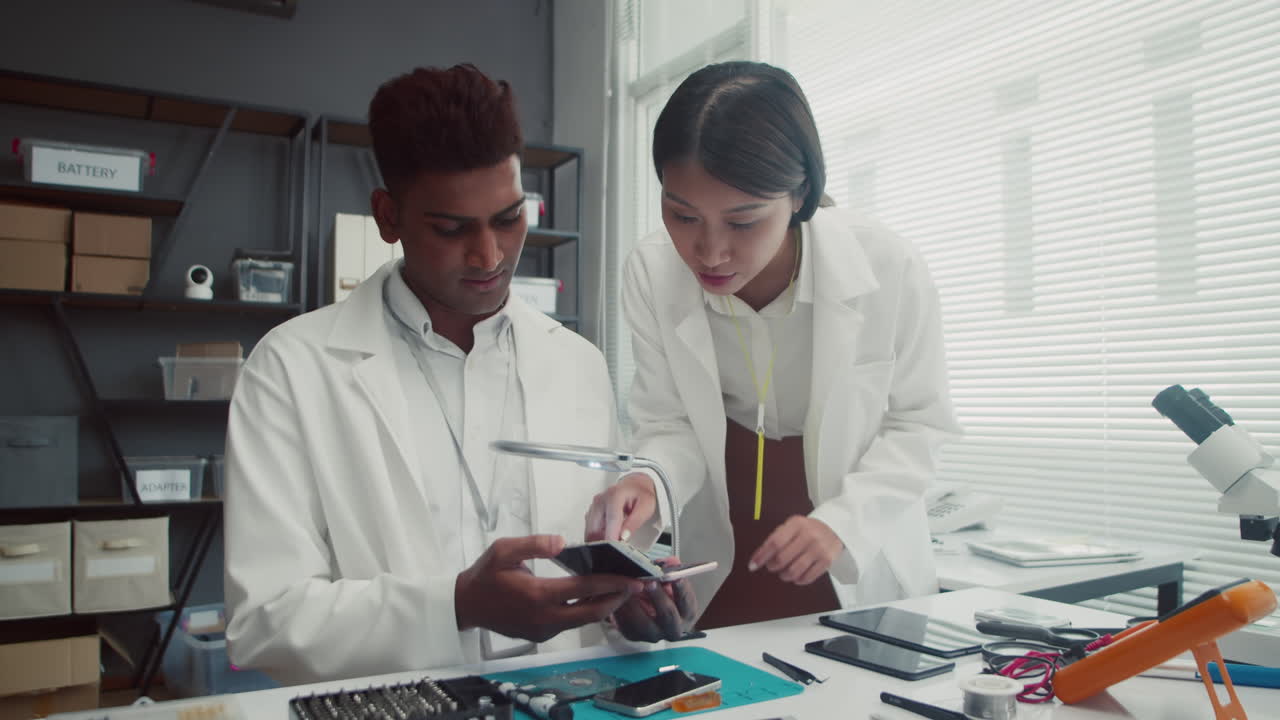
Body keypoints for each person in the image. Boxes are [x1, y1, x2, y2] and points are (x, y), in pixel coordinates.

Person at [224, 64, 693, 685]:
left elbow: (586, 580)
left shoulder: (575, 363)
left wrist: (625, 614)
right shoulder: (289, 369)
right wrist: (456, 604)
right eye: (452, 229)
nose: (490, 256)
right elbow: (266, 620)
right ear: (387, 216)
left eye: (508, 218)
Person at [586, 61, 961, 628]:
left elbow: (919, 424)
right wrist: (648, 481)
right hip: (727, 552)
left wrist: (843, 523)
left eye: (743, 222)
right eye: (682, 214)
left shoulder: (889, 266)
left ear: (800, 194)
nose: (708, 252)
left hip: (854, 552)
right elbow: (668, 422)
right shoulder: (653, 271)